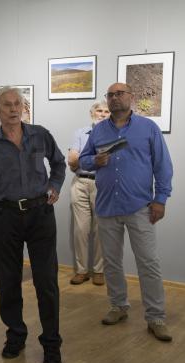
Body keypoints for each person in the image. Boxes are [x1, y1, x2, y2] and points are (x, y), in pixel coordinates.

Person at [0, 86, 66, 363]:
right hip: (5, 217)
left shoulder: (41, 135)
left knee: (46, 281)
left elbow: (59, 165)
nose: (13, 109)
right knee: (8, 281)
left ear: (23, 107)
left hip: (40, 214)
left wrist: (54, 186)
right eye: (7, 105)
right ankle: (15, 335)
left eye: (17, 104)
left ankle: (51, 343)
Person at [79, 82, 174, 342]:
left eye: (120, 93)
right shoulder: (98, 130)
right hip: (108, 206)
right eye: (110, 95)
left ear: (131, 98)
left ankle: (156, 317)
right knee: (111, 262)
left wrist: (161, 199)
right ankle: (118, 306)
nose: (114, 98)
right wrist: (93, 161)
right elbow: (83, 160)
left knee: (148, 262)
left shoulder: (148, 128)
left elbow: (163, 166)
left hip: (140, 206)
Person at [67, 101, 110, 285]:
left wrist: (84, 160)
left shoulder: (112, 133)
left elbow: (108, 161)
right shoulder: (80, 132)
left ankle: (99, 271)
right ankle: (82, 270)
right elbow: (72, 160)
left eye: (106, 111)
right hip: (80, 182)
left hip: (102, 183)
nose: (102, 114)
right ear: (92, 112)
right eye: (99, 110)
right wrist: (93, 160)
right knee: (81, 229)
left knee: (100, 228)